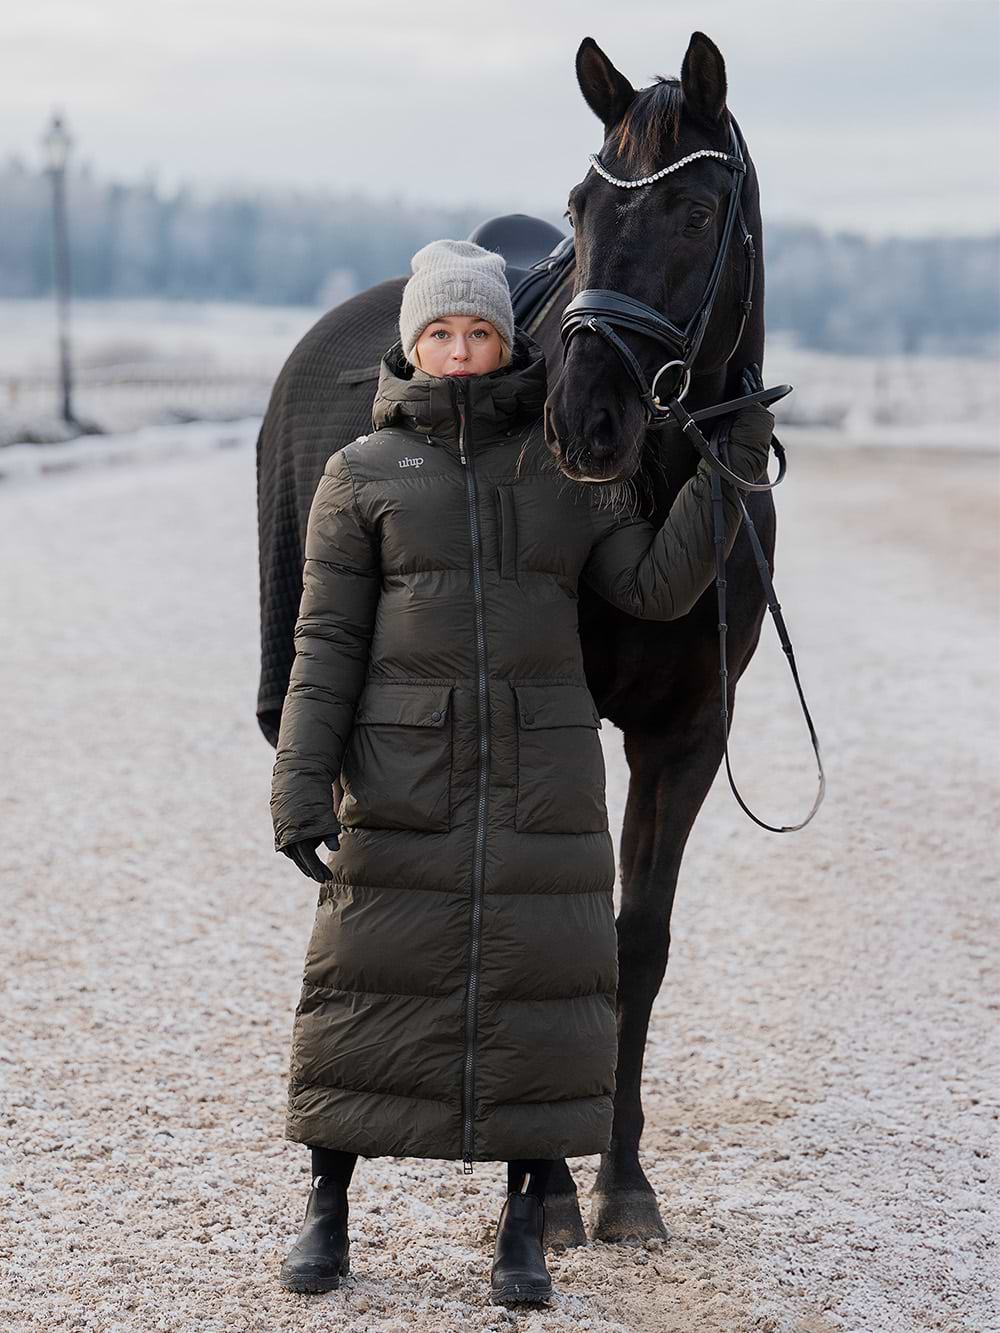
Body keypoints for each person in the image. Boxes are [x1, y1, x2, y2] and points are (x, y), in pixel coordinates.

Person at [270, 238, 774, 1305]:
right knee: (359, 985)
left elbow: (653, 586)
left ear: (508, 343)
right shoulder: (359, 474)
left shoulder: (570, 474)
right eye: (439, 333)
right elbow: (326, 645)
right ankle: (326, 1207)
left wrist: (726, 466)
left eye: (478, 332)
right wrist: (302, 784)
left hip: (539, 778)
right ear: (412, 345)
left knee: (538, 995)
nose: (459, 351)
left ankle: (522, 1228)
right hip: (404, 771)